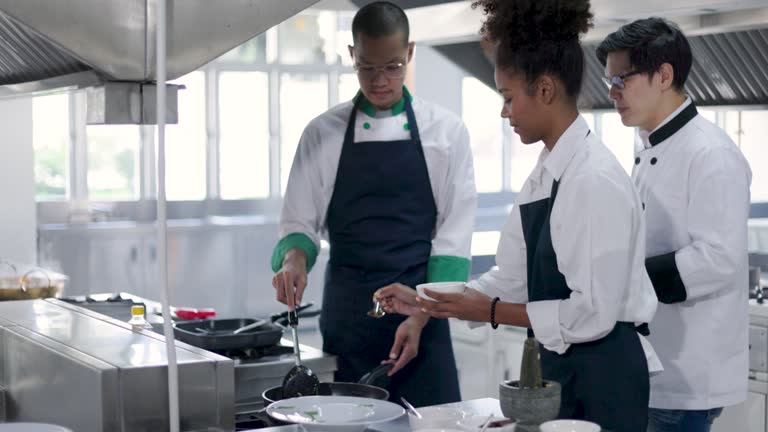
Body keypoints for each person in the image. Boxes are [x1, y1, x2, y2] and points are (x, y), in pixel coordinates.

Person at [375, 0, 659, 430]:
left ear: (544, 90)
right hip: (563, 369)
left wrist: (489, 312)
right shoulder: (546, 174)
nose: (504, 111)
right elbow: (510, 279)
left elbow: (591, 314)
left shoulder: (592, 179)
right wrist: (425, 301)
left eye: (508, 97)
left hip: (606, 376)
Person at [270, 1, 476, 407]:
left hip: (424, 317)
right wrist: (293, 260)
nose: (380, 80)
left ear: (410, 53)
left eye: (393, 66)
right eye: (367, 67)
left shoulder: (447, 133)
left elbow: (453, 239)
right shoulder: (322, 134)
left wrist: (420, 315)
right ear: (351, 56)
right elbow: (298, 222)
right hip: (349, 323)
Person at [596, 18, 752, 432]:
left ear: (663, 75)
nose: (612, 92)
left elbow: (718, 259)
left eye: (621, 79)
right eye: (608, 79)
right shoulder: (652, 146)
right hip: (654, 366)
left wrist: (625, 281)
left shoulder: (710, 154)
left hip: (687, 373)